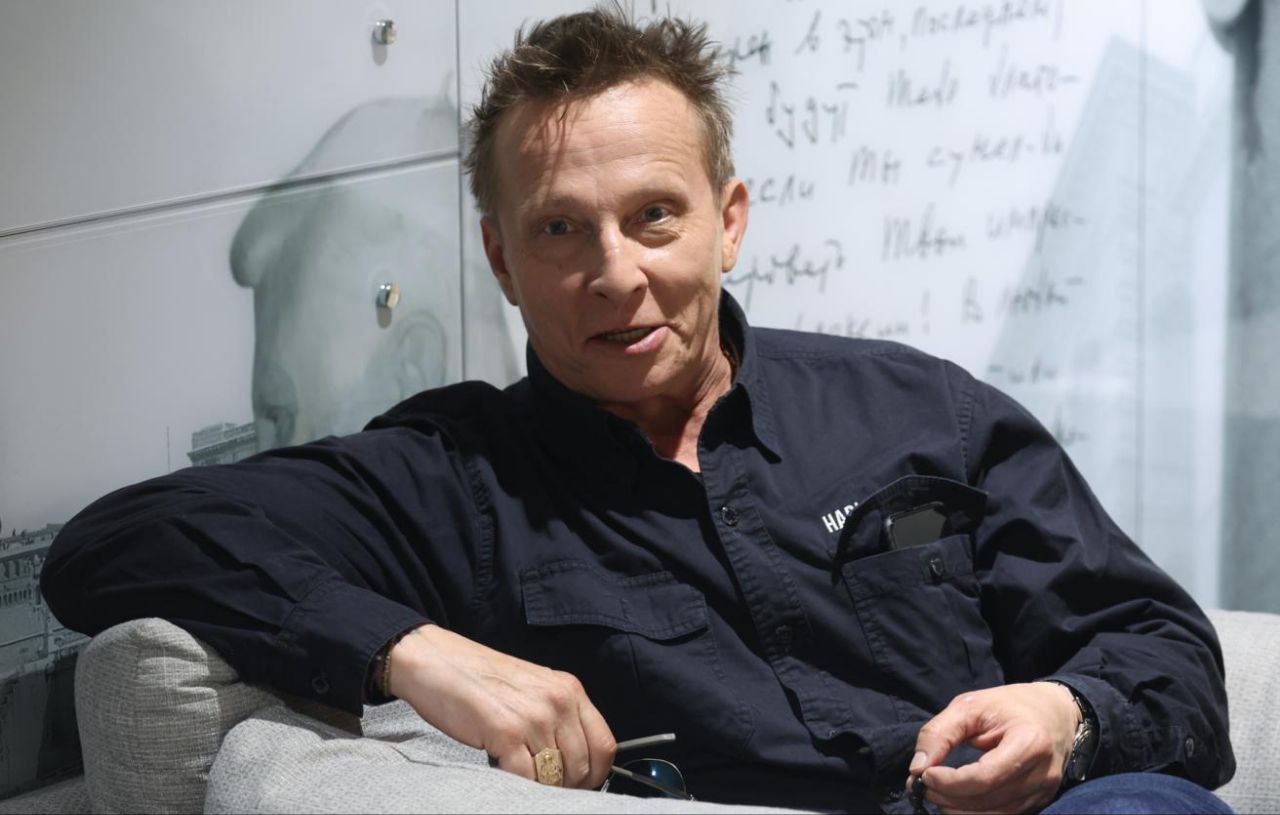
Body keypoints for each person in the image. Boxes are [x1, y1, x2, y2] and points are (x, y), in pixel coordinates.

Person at [42, 7, 1234, 814]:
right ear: (502, 260)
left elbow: (1165, 653)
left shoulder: (917, 407)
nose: (614, 274)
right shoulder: (457, 479)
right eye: (560, 228)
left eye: (653, 215)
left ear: (729, 220)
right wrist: (407, 649)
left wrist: (1066, 713)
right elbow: (115, 542)